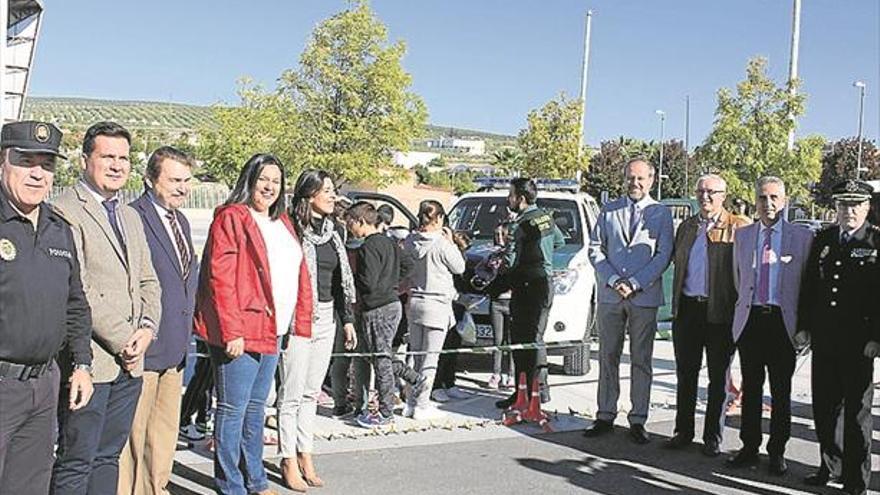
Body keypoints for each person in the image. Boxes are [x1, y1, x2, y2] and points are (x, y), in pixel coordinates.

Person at [51, 121, 162, 495]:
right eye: (107, 156)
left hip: (131, 363)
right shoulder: (65, 211)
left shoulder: (130, 215)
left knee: (108, 457)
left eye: (124, 158)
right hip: (93, 362)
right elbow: (78, 288)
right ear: (85, 160)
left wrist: (147, 329)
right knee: (77, 460)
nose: (117, 165)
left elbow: (149, 280)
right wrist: (125, 339)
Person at [193, 153, 311, 495]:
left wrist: (296, 322)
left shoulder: (283, 222)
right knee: (232, 410)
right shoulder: (232, 218)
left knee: (256, 410)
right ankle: (230, 485)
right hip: (242, 332)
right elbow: (221, 277)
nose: (270, 186)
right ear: (250, 179)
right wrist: (232, 330)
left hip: (273, 329)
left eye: (276, 180)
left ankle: (255, 479)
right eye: (263, 179)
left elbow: (296, 273)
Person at [0, 121, 93, 495]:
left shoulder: (59, 228)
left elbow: (75, 303)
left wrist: (83, 364)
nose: (38, 173)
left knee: (30, 486)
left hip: (44, 385)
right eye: (25, 161)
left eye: (47, 164)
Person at [119, 147, 199, 495]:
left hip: (177, 347)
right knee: (133, 438)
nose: (182, 188)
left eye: (186, 181)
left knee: (163, 433)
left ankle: (156, 488)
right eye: (174, 180)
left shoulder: (179, 220)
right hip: (146, 346)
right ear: (151, 180)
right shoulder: (132, 217)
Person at [798, 179, 880, 495]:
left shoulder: (875, 241)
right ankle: (829, 465)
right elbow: (810, 286)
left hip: (860, 343)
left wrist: (877, 337)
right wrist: (804, 326)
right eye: (844, 205)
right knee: (824, 407)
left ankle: (856, 480)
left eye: (855, 205)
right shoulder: (825, 239)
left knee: (857, 415)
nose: (849, 211)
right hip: (825, 337)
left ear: (867, 207)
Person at [726, 176, 813, 475]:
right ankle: (749, 446)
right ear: (755, 201)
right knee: (751, 388)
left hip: (782, 323)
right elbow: (739, 279)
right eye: (763, 198)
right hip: (751, 320)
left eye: (775, 197)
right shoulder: (744, 235)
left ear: (785, 200)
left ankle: (777, 451)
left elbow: (808, 286)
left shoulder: (802, 237)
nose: (768, 203)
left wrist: (805, 327)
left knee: (780, 390)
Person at [584, 158, 674, 444]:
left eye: (641, 179)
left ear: (651, 180)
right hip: (611, 297)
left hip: (643, 297)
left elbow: (663, 255)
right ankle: (605, 414)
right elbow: (596, 249)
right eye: (630, 178)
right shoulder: (609, 211)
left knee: (641, 360)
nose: (635, 183)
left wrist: (635, 283)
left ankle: (638, 419)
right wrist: (614, 280)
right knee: (608, 356)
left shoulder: (661, 213)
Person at [278, 169, 356, 491]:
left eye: (332, 190)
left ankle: (306, 452)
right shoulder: (290, 228)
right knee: (291, 394)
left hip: (326, 317)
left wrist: (347, 318)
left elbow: (341, 280)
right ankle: (287, 458)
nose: (332, 195)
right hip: (298, 318)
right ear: (309, 194)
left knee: (311, 392)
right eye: (326, 190)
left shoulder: (334, 231)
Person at [664, 174, 749, 456]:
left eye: (712, 192)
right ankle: (683, 430)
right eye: (701, 191)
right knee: (686, 374)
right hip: (688, 309)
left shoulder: (738, 227)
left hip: (720, 312)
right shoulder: (686, 227)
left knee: (718, 378)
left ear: (724, 195)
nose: (706, 197)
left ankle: (713, 435)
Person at [345, 201, 422, 427]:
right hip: (391, 302)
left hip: (376, 307)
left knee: (380, 361)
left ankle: (386, 412)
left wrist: (357, 282)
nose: (349, 228)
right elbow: (409, 265)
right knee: (380, 355)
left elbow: (367, 281)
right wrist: (393, 283)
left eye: (350, 223)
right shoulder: (390, 243)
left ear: (360, 221)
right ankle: (413, 377)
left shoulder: (367, 247)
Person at [493, 178, 563, 408]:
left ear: (520, 199)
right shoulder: (545, 216)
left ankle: (524, 394)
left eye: (511, 195)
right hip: (545, 284)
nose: (508, 199)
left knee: (523, 343)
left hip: (527, 287)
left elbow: (511, 261)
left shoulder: (520, 224)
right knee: (536, 339)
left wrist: (499, 264)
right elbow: (559, 242)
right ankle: (538, 392)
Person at [402, 200, 466, 420]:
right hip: (437, 304)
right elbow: (460, 267)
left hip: (415, 301)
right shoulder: (441, 243)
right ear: (438, 219)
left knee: (415, 356)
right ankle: (422, 404)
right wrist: (451, 243)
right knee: (430, 360)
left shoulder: (410, 241)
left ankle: (410, 401)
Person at [488, 222, 515, 390]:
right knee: (497, 340)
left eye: (502, 235)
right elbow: (481, 272)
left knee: (512, 340)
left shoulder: (513, 254)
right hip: (496, 301)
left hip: (512, 301)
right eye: (496, 235)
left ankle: (511, 374)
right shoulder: (492, 255)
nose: (499, 238)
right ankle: (495, 373)